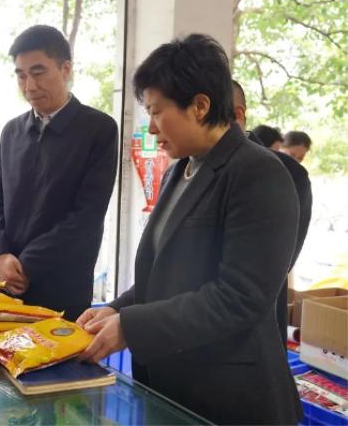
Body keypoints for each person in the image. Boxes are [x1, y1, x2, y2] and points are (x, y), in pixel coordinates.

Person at [76, 34, 302, 425]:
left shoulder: (257, 172)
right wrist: (115, 309)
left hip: (230, 395)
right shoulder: (179, 170)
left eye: (156, 112)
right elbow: (165, 276)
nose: (150, 128)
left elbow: (239, 297)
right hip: (175, 385)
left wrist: (131, 327)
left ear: (200, 106)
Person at [0, 25, 119, 321]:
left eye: (38, 72)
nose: (29, 86)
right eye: (21, 75)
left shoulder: (98, 130)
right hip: (6, 287)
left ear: (65, 68)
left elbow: (86, 216)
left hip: (62, 292)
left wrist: (26, 265)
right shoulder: (11, 132)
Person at [233, 80, 312, 347]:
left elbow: (277, 265)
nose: (154, 127)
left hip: (254, 335)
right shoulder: (186, 168)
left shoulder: (288, 175)